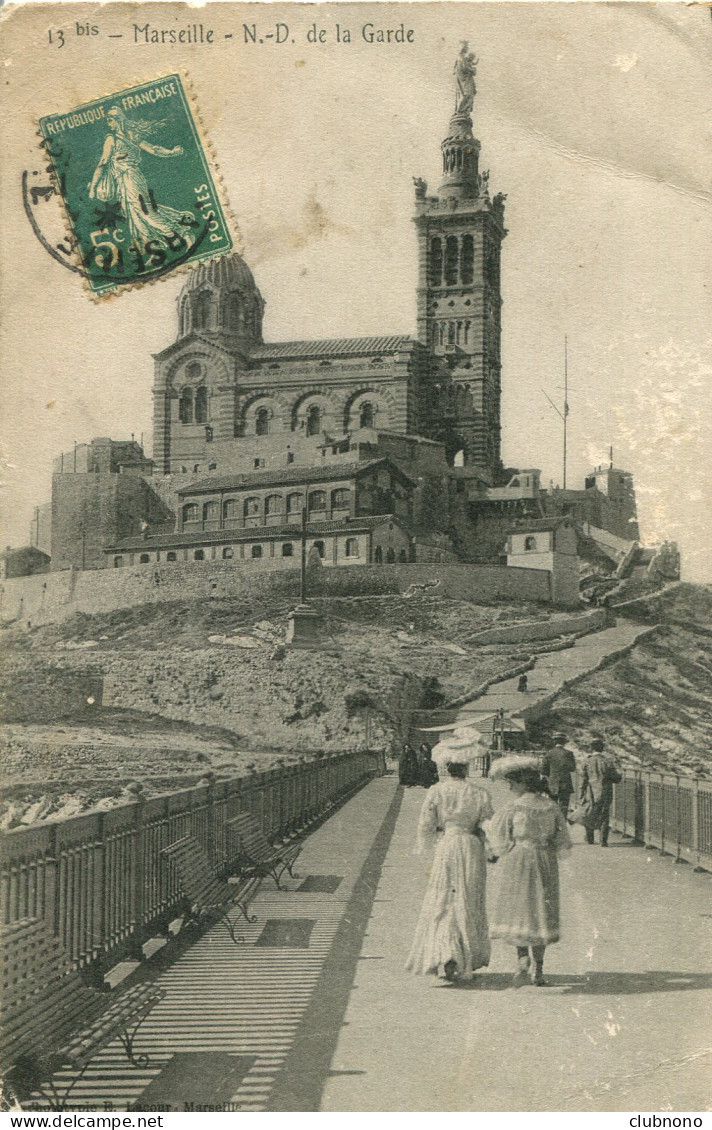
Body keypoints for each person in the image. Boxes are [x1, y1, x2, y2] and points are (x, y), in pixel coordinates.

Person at [405, 729, 493, 982]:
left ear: (447, 767)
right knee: (467, 898)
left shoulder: (437, 791)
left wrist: (428, 843)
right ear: (466, 768)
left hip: (448, 844)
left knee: (443, 899)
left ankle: (444, 953)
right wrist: (491, 848)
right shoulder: (479, 793)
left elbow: (426, 823)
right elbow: (488, 824)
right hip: (470, 846)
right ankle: (464, 956)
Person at [488, 756, 571, 986]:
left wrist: (501, 851)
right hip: (544, 860)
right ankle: (539, 969)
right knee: (541, 909)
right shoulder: (551, 806)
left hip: (519, 859)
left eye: (513, 783)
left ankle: (522, 960)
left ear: (523, 784)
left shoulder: (513, 807)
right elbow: (562, 839)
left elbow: (500, 837)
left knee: (521, 908)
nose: (510, 787)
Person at [88, 106, 195, 251]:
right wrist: (171, 153)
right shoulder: (131, 135)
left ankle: (182, 234)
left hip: (130, 179)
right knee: (136, 213)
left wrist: (93, 187)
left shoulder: (112, 139)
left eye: (110, 120)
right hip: (128, 180)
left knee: (145, 213)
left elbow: (102, 163)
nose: (108, 124)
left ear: (117, 120)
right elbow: (153, 149)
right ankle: (159, 242)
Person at [579, 738, 622, 846]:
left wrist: (581, 793)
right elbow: (616, 779)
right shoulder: (607, 761)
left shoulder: (586, 761)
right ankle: (603, 841)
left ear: (591, 748)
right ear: (602, 748)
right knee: (604, 814)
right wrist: (619, 769)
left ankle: (590, 839)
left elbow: (583, 778)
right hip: (605, 791)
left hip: (590, 792)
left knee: (589, 813)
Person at [541, 734, 577, 818]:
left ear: (554, 742)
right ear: (564, 742)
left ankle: (552, 825)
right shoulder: (569, 753)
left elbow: (543, 770)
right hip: (565, 784)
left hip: (553, 784)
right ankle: (562, 826)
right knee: (563, 807)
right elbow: (572, 768)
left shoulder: (549, 753)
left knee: (552, 806)